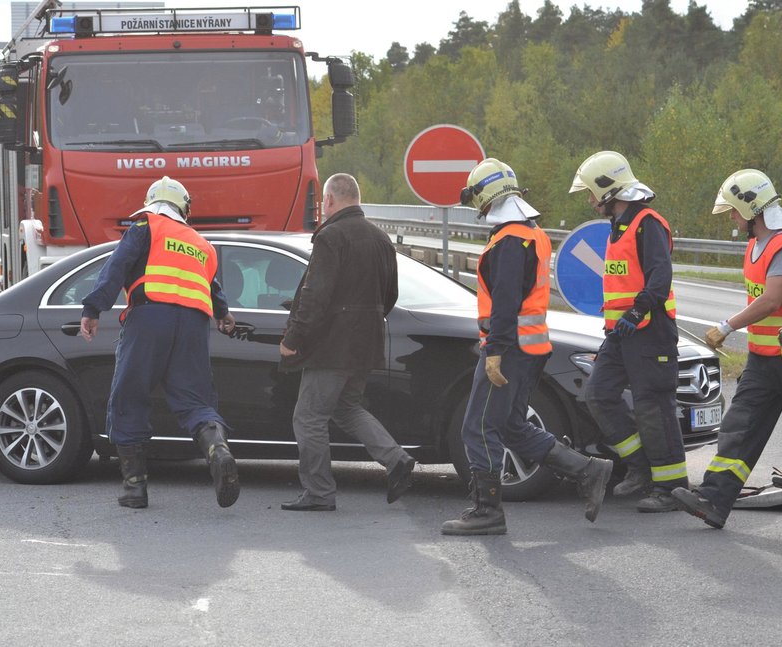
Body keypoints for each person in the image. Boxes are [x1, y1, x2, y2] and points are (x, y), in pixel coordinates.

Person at [441, 159, 613, 536]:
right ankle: (588, 470)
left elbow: (505, 302)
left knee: (479, 427)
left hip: (508, 350)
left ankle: (487, 511)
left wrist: (496, 352)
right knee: (512, 427)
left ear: (486, 195)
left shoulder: (507, 241)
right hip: (531, 349)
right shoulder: (531, 233)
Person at [671, 169, 782, 528]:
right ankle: (713, 500)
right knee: (739, 427)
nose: (733, 220)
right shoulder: (756, 246)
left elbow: (771, 300)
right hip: (763, 359)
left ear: (753, 209)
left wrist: (726, 326)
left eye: (735, 212)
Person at [80, 176, 239, 509]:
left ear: (152, 203)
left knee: (129, 395)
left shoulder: (145, 228)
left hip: (149, 318)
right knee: (195, 400)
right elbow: (214, 288)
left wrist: (93, 308)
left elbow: (117, 267)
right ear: (184, 208)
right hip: (194, 326)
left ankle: (134, 487)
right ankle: (218, 449)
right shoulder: (201, 244)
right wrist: (223, 314)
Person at [278, 173, 416, 511]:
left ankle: (319, 492)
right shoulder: (381, 238)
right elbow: (391, 295)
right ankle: (396, 459)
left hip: (332, 345)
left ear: (328, 201)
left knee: (308, 417)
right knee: (346, 407)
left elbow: (315, 294)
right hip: (366, 343)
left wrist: (293, 337)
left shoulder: (331, 236)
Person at [570, 150, 688, 513]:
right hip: (622, 335)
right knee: (598, 394)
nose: (590, 201)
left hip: (650, 331)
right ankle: (640, 467)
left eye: (592, 193)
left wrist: (635, 312)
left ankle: (670, 488)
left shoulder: (648, 223)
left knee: (655, 407)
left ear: (608, 190)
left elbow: (659, 278)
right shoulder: (618, 227)